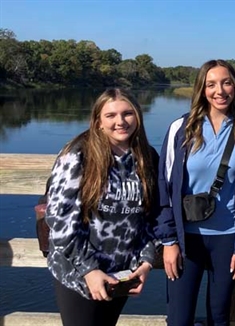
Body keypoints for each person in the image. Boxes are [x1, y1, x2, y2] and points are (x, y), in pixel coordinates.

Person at [155, 59, 235, 326]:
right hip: (186, 241)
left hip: (228, 239)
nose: (220, 91)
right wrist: (169, 241)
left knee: (219, 317)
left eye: (226, 82)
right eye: (211, 84)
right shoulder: (179, 130)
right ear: (201, 90)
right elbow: (165, 188)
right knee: (179, 319)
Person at [45, 88, 159, 326]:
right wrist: (89, 270)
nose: (121, 121)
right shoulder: (77, 154)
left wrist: (146, 262)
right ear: (98, 122)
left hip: (121, 273)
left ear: (138, 116)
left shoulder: (147, 157)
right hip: (79, 272)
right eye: (111, 115)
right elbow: (59, 219)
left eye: (128, 113)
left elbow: (151, 217)